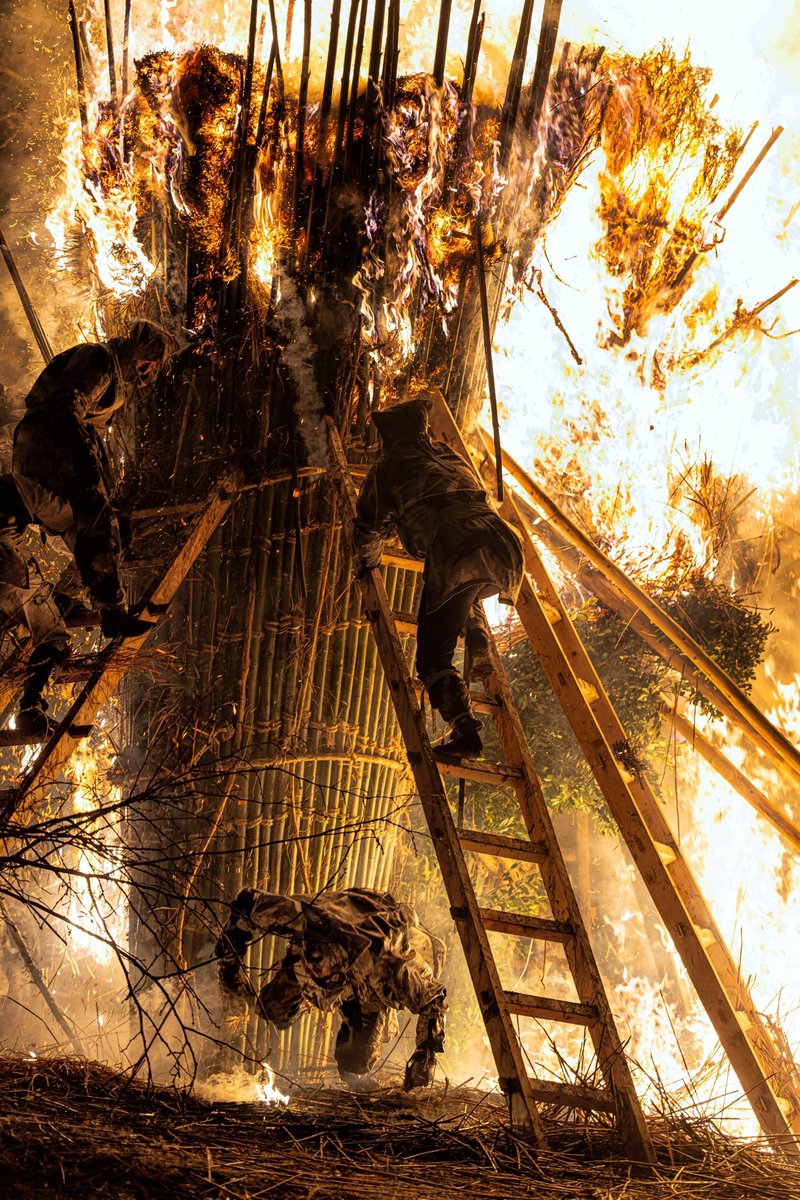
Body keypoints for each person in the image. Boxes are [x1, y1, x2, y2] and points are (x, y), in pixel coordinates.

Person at [353, 397, 524, 760]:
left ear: (389, 436)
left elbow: (367, 531)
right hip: (505, 548)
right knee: (466, 593)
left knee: (432, 659)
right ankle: (477, 639)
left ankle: (466, 732)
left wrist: (368, 565)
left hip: (456, 549)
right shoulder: (450, 456)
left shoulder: (387, 468)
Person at [11, 321, 170, 639]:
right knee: (95, 518)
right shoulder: (99, 359)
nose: (150, 370)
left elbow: (91, 432)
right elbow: (65, 407)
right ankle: (113, 612)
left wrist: (102, 473)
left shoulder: (117, 378)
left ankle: (66, 599)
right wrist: (86, 465)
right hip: (47, 443)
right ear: (139, 350)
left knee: (113, 527)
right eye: (150, 360)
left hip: (58, 446)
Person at [216, 886, 447, 1090]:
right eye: (315, 969)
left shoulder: (387, 965)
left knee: (358, 1060)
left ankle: (352, 1067)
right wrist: (229, 965)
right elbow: (247, 902)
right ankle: (302, 982)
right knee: (274, 1010)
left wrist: (425, 1054)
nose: (319, 973)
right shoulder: (297, 917)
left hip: (363, 972)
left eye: (323, 972)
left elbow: (433, 999)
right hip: (327, 928)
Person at [0, 474, 70, 736]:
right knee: (55, 640)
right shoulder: (18, 485)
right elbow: (62, 521)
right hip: (8, 572)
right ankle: (30, 709)